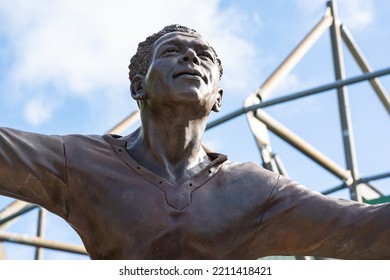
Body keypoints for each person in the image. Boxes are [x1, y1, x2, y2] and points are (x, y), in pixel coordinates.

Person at [0, 24, 389, 260]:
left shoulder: (255, 191)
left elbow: (365, 228)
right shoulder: (81, 161)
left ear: (217, 98)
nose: (191, 57)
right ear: (138, 84)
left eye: (204, 57)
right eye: (172, 51)